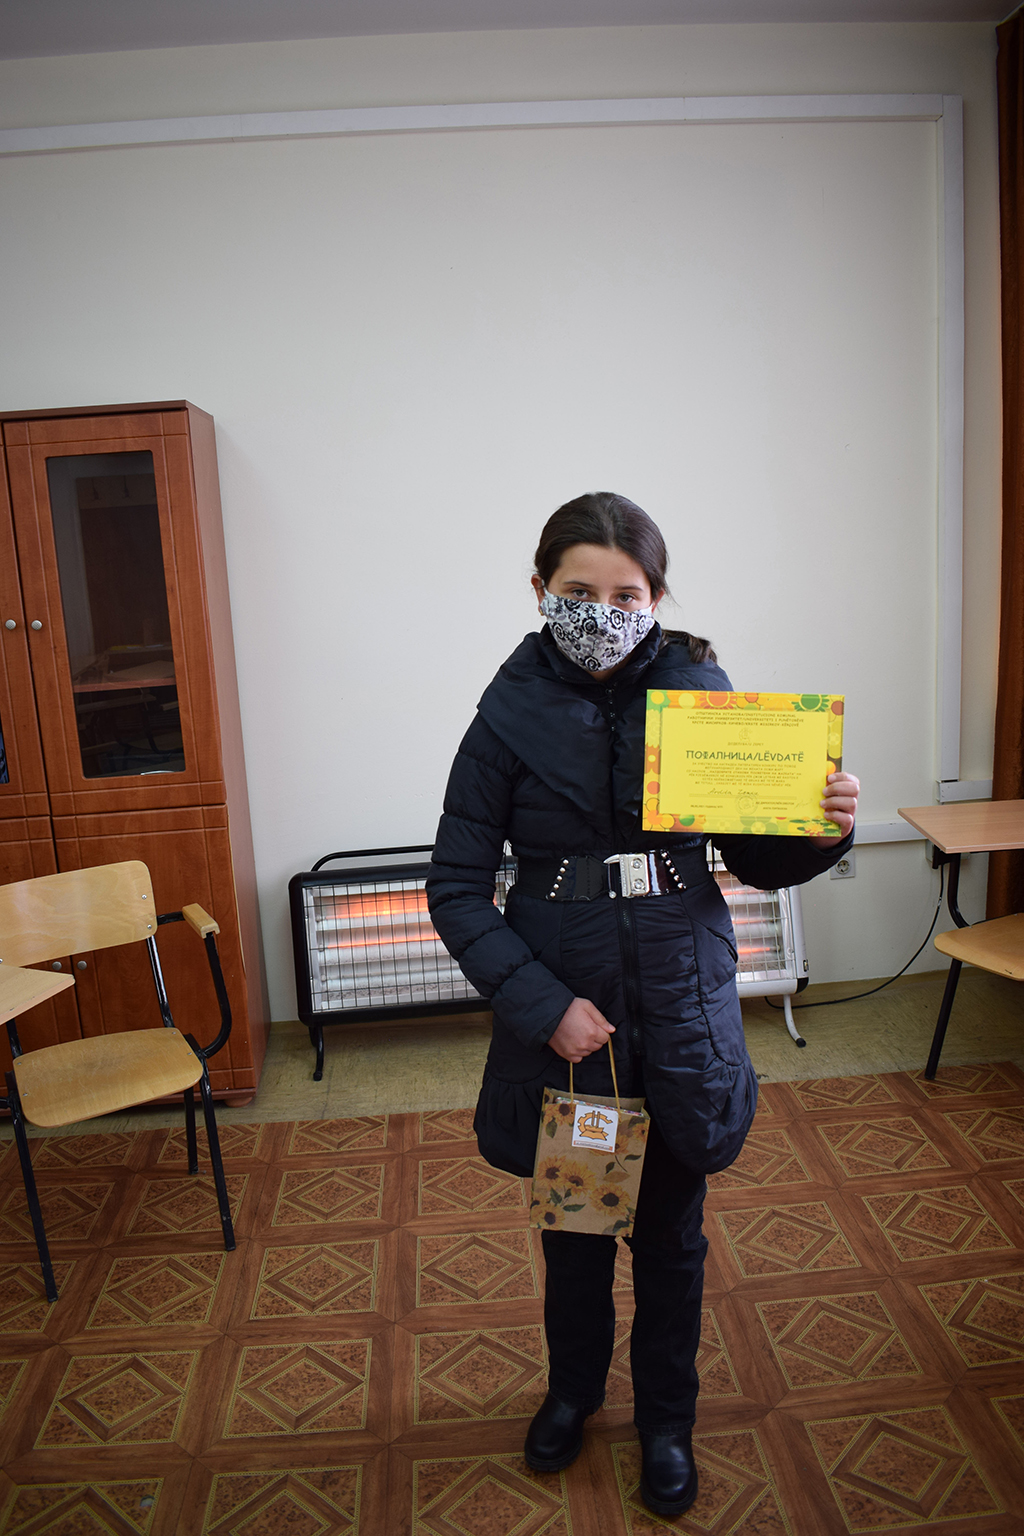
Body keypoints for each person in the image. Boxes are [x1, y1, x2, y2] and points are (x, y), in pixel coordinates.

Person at [425, 492, 858, 1518]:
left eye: (626, 595)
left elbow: (756, 859)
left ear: (655, 597)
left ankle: (668, 1420)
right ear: (540, 590)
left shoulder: (701, 698)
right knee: (576, 1232)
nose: (603, 612)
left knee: (670, 1236)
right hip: (575, 1027)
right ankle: (573, 1393)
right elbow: (456, 887)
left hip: (677, 1002)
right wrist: (544, 1007)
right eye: (579, 591)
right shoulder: (503, 718)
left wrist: (823, 829)